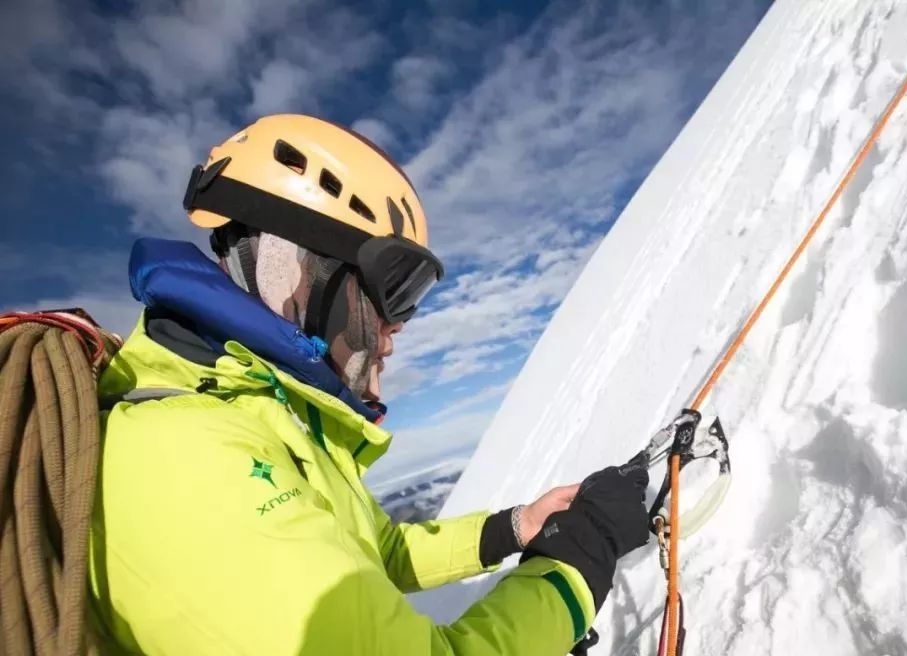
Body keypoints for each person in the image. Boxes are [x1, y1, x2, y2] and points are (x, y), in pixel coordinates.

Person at [89, 114, 651, 655]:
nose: (400, 323)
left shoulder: (262, 414)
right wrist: (581, 558)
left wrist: (514, 527)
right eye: (395, 287)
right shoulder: (186, 457)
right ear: (290, 269)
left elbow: (377, 549)